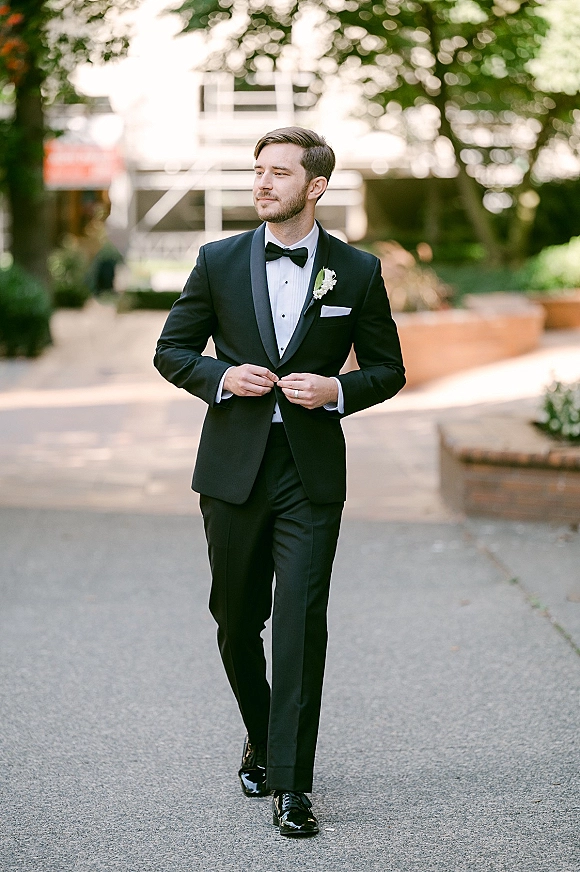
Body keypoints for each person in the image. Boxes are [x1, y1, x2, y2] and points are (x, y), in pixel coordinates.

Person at [154, 127, 405, 837]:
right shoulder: (219, 259)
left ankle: (294, 786)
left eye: (278, 173)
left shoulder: (356, 271)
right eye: (256, 172)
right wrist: (220, 376)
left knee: (300, 623)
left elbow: (389, 370)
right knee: (237, 621)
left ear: (315, 187)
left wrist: (337, 390)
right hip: (233, 470)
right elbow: (171, 350)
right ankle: (263, 735)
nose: (261, 183)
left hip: (310, 473)